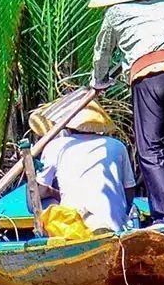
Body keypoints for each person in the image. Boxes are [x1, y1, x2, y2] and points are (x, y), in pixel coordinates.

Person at [88, 0, 164, 231]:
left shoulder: (115, 12)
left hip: (150, 78)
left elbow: (102, 53)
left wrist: (98, 82)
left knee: (150, 151)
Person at [26, 98, 136, 233]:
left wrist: (51, 193)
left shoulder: (56, 146)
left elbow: (36, 196)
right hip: (116, 225)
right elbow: (129, 192)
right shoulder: (117, 146)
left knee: (38, 201)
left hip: (76, 228)